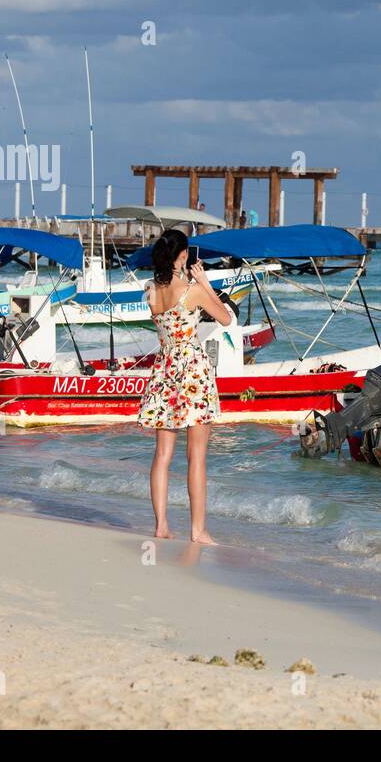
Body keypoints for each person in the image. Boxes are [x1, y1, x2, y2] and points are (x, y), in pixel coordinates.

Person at [137, 228, 233, 544]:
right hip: (192, 372)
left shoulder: (150, 290)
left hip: (164, 369)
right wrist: (206, 283)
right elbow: (226, 319)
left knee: (162, 454)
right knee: (197, 456)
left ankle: (161, 525)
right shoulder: (192, 291)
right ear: (182, 256)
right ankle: (197, 530)